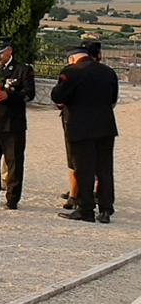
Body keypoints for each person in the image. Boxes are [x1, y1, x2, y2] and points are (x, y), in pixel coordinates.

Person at [52, 44, 118, 223]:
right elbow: (113, 99)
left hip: (80, 127)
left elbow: (58, 96)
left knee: (84, 169)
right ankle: (105, 209)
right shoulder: (108, 72)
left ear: (72, 58)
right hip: (105, 127)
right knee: (104, 169)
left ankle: (86, 209)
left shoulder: (71, 72)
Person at [0, 39, 35, 210]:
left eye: (1, 52)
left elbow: (29, 93)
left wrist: (9, 95)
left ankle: (12, 198)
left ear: (9, 51)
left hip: (12, 123)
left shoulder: (22, 69)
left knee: (13, 162)